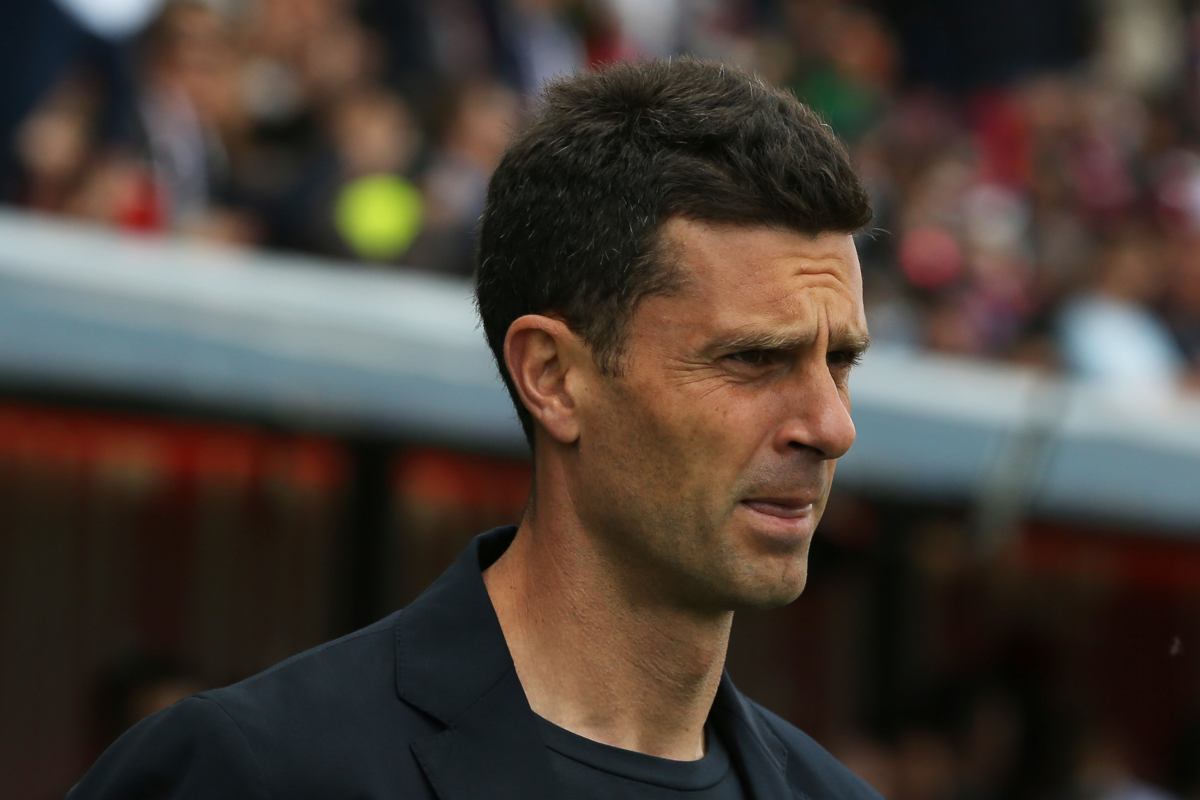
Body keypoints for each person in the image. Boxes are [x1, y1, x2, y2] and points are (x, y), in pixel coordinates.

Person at [70, 57, 881, 799]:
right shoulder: (258, 772)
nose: (830, 425)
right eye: (752, 359)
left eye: (840, 360)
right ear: (552, 377)